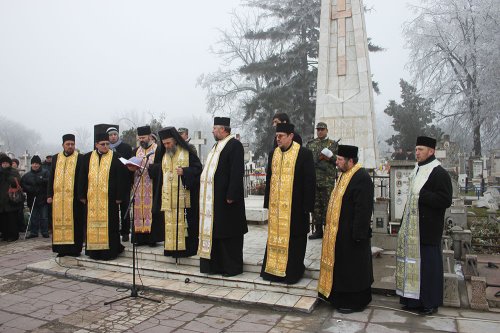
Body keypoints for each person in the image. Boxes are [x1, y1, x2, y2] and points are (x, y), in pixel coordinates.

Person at [396, 136, 452, 315]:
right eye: (416, 149)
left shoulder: (438, 172)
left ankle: (429, 302)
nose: (417, 153)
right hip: (413, 228)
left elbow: (445, 199)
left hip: (428, 230)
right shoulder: (417, 169)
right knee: (413, 266)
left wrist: (424, 195)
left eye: (420, 149)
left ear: (431, 151)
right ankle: (412, 301)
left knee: (427, 268)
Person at [318, 145, 374, 313]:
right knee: (343, 269)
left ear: (351, 161)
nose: (337, 162)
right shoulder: (344, 174)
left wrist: (358, 234)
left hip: (353, 235)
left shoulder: (361, 177)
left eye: (340, 159)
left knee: (353, 270)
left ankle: (354, 302)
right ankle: (338, 297)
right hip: (339, 233)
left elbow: (363, 209)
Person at [260, 123, 315, 284]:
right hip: (277, 208)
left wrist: (308, 207)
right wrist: (267, 203)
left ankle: (292, 273)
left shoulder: (304, 154)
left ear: (291, 136)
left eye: (281, 136)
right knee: (274, 239)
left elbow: (310, 181)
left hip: (296, 208)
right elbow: (269, 178)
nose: (278, 139)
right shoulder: (273, 154)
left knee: (295, 239)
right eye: (276, 136)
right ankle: (272, 272)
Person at [198, 117, 248, 276]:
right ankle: (215, 266)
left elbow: (236, 171)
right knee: (217, 233)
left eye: (214, 128)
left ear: (223, 129)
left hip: (228, 200)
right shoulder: (216, 145)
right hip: (214, 200)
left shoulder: (234, 145)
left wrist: (232, 194)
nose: (212, 131)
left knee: (228, 234)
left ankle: (231, 268)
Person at [148, 127, 202, 257]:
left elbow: (198, 168)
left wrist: (185, 171)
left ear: (175, 140)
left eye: (169, 143)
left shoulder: (187, 151)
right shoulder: (163, 154)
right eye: (164, 143)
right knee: (169, 223)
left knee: (186, 223)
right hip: (169, 198)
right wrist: (151, 168)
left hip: (184, 197)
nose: (166, 146)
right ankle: (171, 248)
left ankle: (187, 249)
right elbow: (159, 172)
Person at [78, 127, 127, 260]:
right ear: (96, 145)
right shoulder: (88, 157)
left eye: (107, 144)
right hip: (92, 198)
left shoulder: (116, 157)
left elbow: (121, 178)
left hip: (109, 199)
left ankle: (110, 252)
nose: (106, 146)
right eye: (103, 144)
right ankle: (94, 252)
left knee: (111, 226)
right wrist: (81, 195)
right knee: (92, 225)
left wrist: (119, 197)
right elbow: (82, 176)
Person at [47, 134, 84, 257]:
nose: (70, 146)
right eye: (68, 144)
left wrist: (81, 195)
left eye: (72, 144)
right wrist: (49, 194)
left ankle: (75, 250)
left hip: (74, 199)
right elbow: (51, 177)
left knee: (76, 224)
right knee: (58, 223)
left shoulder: (79, 158)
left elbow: (82, 179)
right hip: (58, 199)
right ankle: (61, 250)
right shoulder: (56, 158)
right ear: (63, 145)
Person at [128, 125, 161, 246]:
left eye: (144, 137)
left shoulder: (157, 149)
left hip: (152, 186)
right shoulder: (135, 151)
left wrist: (150, 167)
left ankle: (152, 239)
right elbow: (130, 166)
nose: (142, 140)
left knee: (151, 211)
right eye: (140, 138)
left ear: (150, 137)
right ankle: (139, 239)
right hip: (138, 187)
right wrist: (131, 169)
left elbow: (161, 167)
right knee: (138, 211)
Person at [306, 122, 338, 239]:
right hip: (314, 180)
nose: (320, 131)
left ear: (326, 130)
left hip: (327, 181)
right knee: (316, 207)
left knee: (328, 206)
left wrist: (330, 157)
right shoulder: (311, 144)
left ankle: (328, 230)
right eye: (318, 129)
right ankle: (318, 230)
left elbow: (338, 161)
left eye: (322, 129)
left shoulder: (333, 145)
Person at [107, 125, 133, 242]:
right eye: (111, 135)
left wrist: (131, 181)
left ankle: (126, 232)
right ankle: (113, 232)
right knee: (112, 210)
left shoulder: (126, 147)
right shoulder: (105, 148)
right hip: (110, 184)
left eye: (115, 134)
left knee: (125, 209)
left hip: (125, 182)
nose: (113, 137)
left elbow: (131, 165)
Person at [22, 155, 50, 239]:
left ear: (40, 164)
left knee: (44, 217)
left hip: (43, 198)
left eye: (37, 163)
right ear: (31, 164)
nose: (35, 165)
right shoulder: (27, 175)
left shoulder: (45, 172)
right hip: (32, 198)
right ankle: (34, 232)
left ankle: (45, 232)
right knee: (33, 216)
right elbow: (22, 184)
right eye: (33, 163)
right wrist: (29, 189)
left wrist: (42, 180)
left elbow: (49, 181)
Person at [0, 154, 23, 242]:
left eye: (6, 163)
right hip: (2, 200)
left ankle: (13, 235)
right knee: (3, 219)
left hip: (11, 199)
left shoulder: (13, 171)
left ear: (9, 164)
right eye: (3, 163)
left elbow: (16, 181)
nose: (5, 164)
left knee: (12, 219)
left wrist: (7, 176)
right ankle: (5, 235)